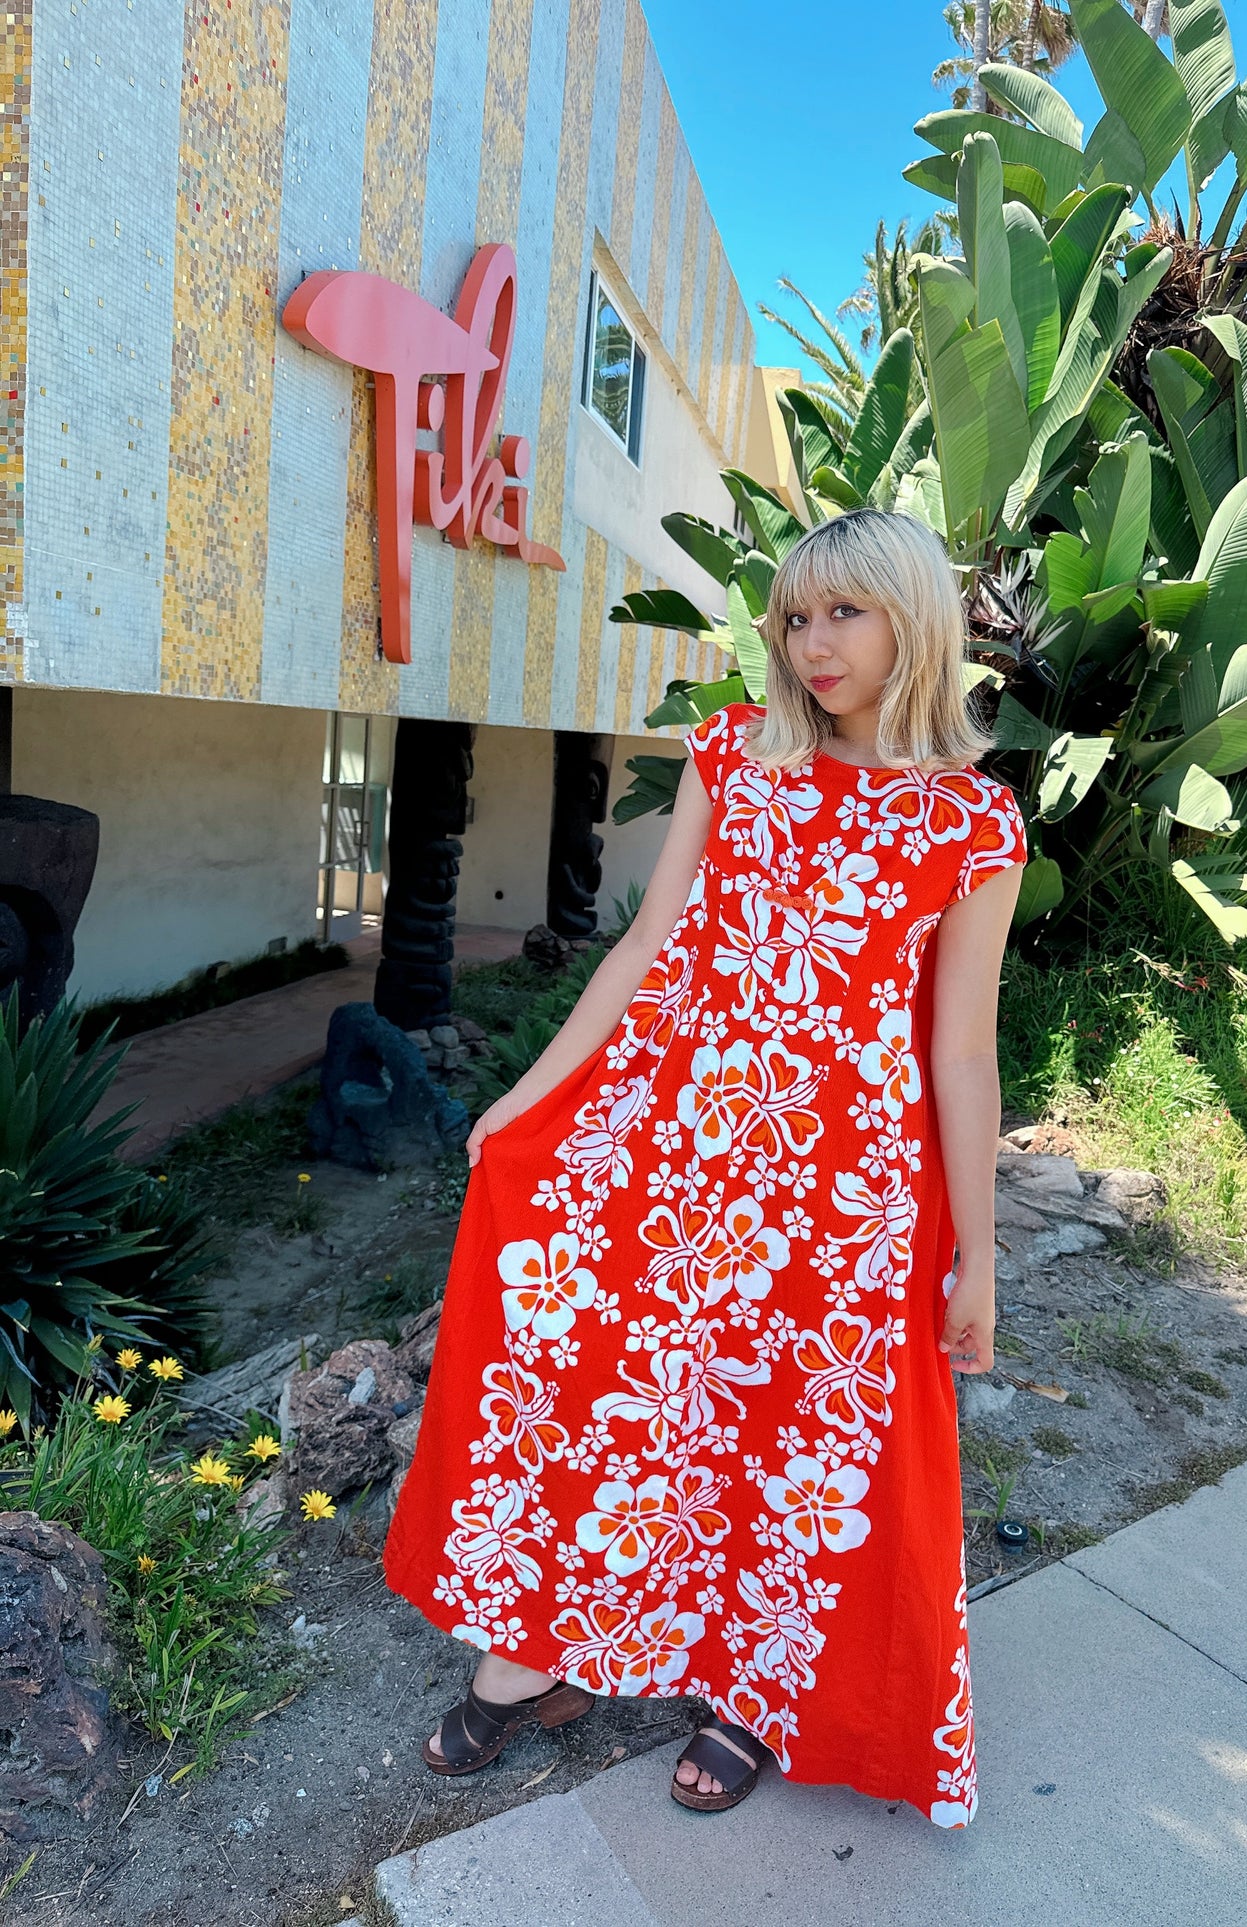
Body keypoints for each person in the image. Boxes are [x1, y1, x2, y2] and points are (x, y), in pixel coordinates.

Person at [382, 505, 1027, 1825]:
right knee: (598, 1378)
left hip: (846, 1195)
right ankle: (543, 1661)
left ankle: (754, 1690)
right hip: (678, 1155)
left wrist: (977, 1249)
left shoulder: (972, 826)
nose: (810, 642)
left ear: (911, 618)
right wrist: (529, 1090)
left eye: (841, 612)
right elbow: (640, 948)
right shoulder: (733, 757)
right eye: (793, 617)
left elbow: (961, 1055)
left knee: (792, 1430)